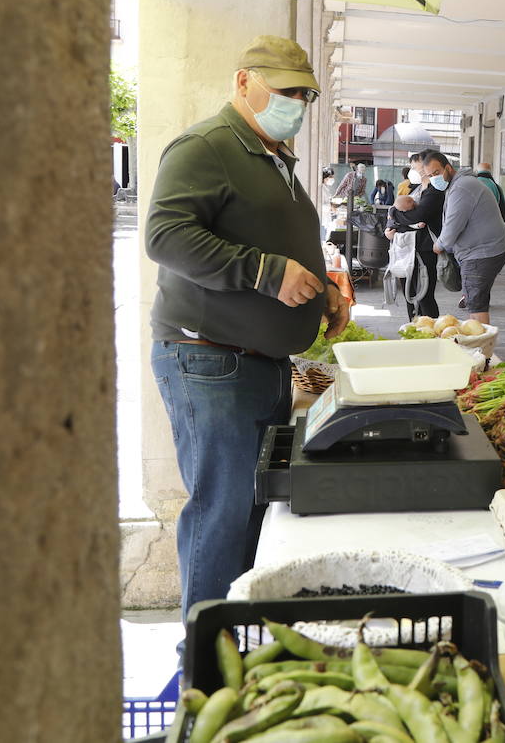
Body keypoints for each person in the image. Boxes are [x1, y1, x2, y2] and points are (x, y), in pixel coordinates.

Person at [145, 35, 348, 624]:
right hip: (210, 364)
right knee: (222, 513)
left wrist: (322, 288)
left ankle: (238, 638)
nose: (296, 104)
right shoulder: (205, 147)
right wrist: (262, 273)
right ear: (243, 82)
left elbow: (279, 242)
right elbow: (166, 236)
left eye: (304, 94)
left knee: (253, 510)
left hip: (258, 365)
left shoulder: (272, 154)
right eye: (285, 92)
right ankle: (205, 659)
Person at [424, 150, 505, 325]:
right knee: (475, 301)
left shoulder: (461, 187)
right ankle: (481, 346)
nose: (434, 178)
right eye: (430, 175)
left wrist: (439, 245)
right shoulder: (460, 184)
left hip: (482, 253)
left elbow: (452, 227)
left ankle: (482, 349)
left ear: (448, 168)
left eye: (437, 173)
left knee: (476, 306)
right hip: (485, 250)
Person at [387, 168, 443, 320]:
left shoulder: (434, 192)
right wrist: (393, 219)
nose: (416, 170)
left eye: (418, 166)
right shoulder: (415, 189)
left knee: (425, 293)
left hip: (425, 250)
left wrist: (395, 216)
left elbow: (418, 216)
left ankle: (430, 326)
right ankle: (414, 323)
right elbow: (397, 212)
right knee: (409, 291)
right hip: (406, 251)